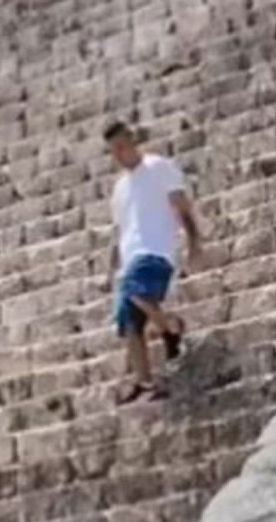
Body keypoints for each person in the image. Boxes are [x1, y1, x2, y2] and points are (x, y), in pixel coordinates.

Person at [103, 121, 203, 402]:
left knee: (134, 289)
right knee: (128, 323)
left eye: (121, 146)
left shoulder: (158, 167)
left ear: (132, 141)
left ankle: (170, 326)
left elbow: (181, 205)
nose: (118, 154)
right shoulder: (120, 188)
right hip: (130, 257)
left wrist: (194, 241)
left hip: (156, 251)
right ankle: (145, 381)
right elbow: (119, 231)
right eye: (113, 150)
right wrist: (110, 269)